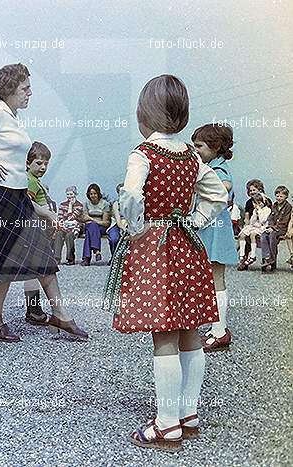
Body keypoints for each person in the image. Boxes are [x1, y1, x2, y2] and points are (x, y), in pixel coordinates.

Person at [105, 75, 228, 451]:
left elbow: (130, 194)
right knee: (192, 331)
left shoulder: (142, 153)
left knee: (164, 335)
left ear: (145, 115)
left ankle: (166, 424)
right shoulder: (192, 156)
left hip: (156, 247)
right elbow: (218, 195)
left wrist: (135, 227)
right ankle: (188, 414)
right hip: (187, 247)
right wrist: (192, 221)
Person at [0, 63, 87, 342]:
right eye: (25, 88)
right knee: (6, 261)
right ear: (9, 89)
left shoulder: (11, 117)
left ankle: (57, 315)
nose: (30, 93)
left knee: (39, 257)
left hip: (16, 195)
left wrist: (44, 210)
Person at [191, 123, 240, 352]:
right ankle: (215, 326)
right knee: (211, 279)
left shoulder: (218, 168)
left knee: (216, 279)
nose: (196, 149)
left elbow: (225, 186)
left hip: (216, 229)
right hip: (209, 228)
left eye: (199, 145)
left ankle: (220, 331)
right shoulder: (211, 165)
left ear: (215, 146)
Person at [23, 141, 62, 326]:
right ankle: (34, 311)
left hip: (39, 231)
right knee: (36, 271)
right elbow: (27, 203)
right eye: (39, 163)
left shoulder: (36, 181)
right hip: (33, 231)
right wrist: (47, 214)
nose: (43, 167)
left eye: (46, 163)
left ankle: (34, 310)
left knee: (34, 272)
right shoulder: (30, 180)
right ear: (28, 163)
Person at [237, 179, 273, 270]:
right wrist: (246, 224)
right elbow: (247, 216)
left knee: (253, 235)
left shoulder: (266, 201)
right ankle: (243, 258)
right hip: (253, 224)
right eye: (250, 190)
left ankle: (256, 257)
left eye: (254, 190)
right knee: (243, 234)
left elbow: (267, 217)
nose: (252, 192)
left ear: (260, 190)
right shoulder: (249, 202)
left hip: (262, 225)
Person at [260, 185, 292, 273]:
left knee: (272, 236)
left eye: (281, 196)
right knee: (263, 235)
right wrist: (270, 227)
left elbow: (285, 221)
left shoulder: (288, 207)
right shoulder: (274, 205)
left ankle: (272, 259)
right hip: (273, 228)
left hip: (282, 228)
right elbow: (270, 218)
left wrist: (273, 228)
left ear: (286, 197)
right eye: (277, 196)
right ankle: (266, 257)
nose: (279, 198)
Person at [81, 183, 111, 265]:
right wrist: (91, 220)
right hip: (89, 226)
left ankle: (86, 258)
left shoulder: (105, 204)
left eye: (95, 193)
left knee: (89, 233)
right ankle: (97, 251)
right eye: (91, 194)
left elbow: (105, 222)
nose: (93, 195)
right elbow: (84, 219)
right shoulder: (86, 204)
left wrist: (92, 219)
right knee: (91, 227)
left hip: (101, 227)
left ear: (98, 194)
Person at [54, 186, 84, 265]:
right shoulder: (62, 204)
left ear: (75, 194)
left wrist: (70, 206)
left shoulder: (79, 205)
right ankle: (56, 258)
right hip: (64, 226)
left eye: (71, 194)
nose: (69, 196)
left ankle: (70, 258)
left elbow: (72, 217)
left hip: (75, 227)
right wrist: (62, 224)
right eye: (68, 194)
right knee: (58, 234)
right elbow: (60, 216)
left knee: (69, 236)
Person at [107, 183, 127, 262]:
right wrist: (124, 229)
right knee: (114, 239)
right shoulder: (116, 204)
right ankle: (114, 257)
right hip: (117, 224)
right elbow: (118, 221)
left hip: (128, 223)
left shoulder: (131, 202)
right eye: (120, 192)